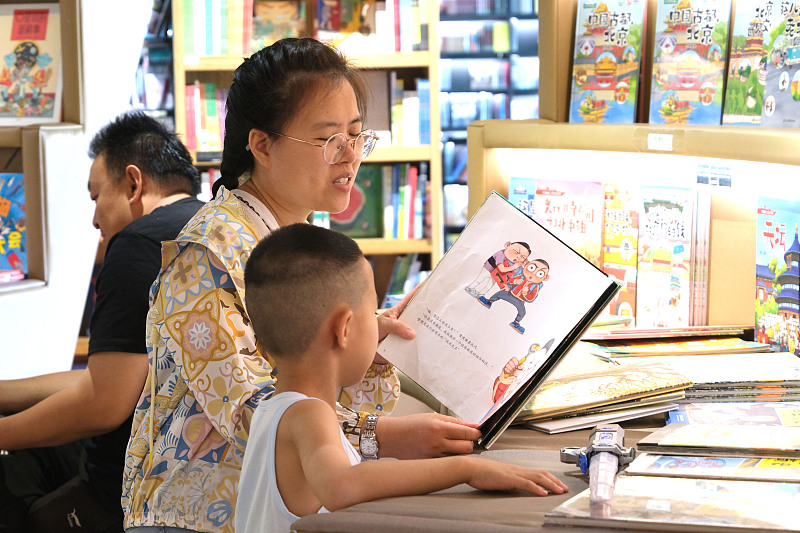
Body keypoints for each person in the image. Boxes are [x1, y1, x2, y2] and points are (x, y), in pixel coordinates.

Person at [122, 37, 481, 533]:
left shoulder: (294, 231)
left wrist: (365, 336)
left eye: (357, 136)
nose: (350, 156)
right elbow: (257, 416)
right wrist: (381, 437)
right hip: (195, 514)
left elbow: (296, 376)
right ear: (262, 144)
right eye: (329, 140)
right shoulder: (205, 255)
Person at [236, 223, 569, 532]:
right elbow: (342, 485)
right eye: (374, 313)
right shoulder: (310, 414)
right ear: (345, 329)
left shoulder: (272, 409)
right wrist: (468, 469)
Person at [0, 111, 204, 533]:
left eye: (96, 197)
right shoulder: (215, 229)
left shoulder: (138, 243)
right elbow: (110, 378)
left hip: (133, 488)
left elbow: (104, 404)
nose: (95, 220)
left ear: (133, 183)